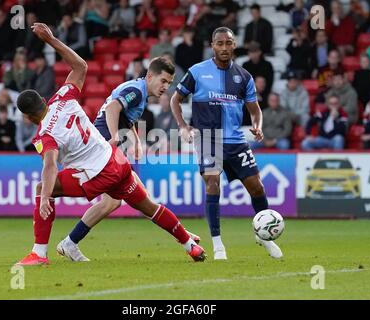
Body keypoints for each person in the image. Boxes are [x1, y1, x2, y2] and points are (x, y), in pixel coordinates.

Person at [15, 23, 205, 266]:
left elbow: (50, 165)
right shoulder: (63, 96)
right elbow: (81, 66)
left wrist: (43, 198)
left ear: (28, 118)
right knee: (148, 206)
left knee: (44, 187)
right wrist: (51, 40)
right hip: (116, 160)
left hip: (100, 171)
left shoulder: (45, 135)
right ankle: (191, 246)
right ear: (43, 100)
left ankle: (40, 254)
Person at [59, 57, 200, 261]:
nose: (165, 87)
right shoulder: (136, 91)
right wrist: (115, 136)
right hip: (102, 152)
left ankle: (69, 243)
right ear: (150, 76)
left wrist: (135, 140)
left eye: (169, 83)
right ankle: (184, 237)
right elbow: (112, 108)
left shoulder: (138, 92)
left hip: (103, 151)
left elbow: (125, 116)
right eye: (163, 81)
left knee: (115, 202)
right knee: (136, 201)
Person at [171, 27, 283, 260]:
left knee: (257, 187)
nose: (224, 47)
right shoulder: (197, 72)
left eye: (228, 43)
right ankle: (218, 245)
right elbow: (176, 98)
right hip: (208, 139)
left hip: (236, 141)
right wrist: (183, 125)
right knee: (212, 184)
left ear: (234, 45)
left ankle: (264, 235)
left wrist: (258, 125)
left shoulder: (244, 77)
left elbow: (255, 110)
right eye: (219, 43)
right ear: (213, 45)